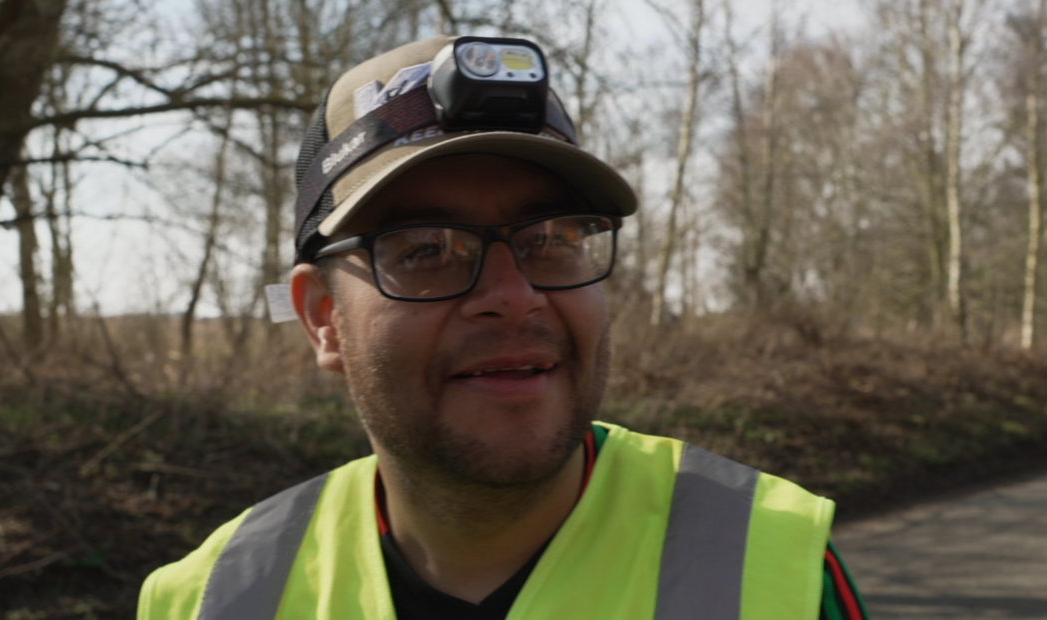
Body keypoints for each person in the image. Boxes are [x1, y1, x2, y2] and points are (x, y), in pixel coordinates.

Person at [137, 34, 869, 620]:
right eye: (426, 249)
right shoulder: (210, 600)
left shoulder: (771, 565)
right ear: (324, 321)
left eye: (550, 237)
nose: (513, 295)